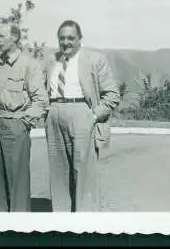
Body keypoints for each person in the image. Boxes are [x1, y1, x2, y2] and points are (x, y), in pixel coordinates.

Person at [43, 20, 120, 212]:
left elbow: (112, 94)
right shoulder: (52, 60)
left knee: (84, 173)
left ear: (80, 39)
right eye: (62, 38)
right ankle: (62, 220)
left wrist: (93, 116)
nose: (66, 42)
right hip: (54, 115)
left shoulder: (94, 59)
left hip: (82, 113)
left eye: (71, 38)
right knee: (58, 172)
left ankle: (85, 223)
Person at [0, 23, 48, 212]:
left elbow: (41, 100)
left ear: (15, 38)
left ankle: (19, 229)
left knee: (17, 182)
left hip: (15, 124)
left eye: (1, 36)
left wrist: (24, 122)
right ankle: (1, 224)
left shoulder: (29, 64)